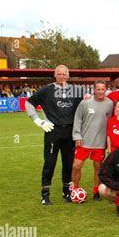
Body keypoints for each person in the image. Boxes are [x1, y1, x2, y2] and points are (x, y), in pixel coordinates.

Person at [25, 65, 83, 205]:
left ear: (68, 75)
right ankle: (45, 194)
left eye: (64, 74)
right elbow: (29, 103)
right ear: (55, 75)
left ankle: (66, 191)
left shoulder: (76, 91)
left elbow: (84, 108)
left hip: (69, 132)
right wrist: (38, 120)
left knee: (68, 163)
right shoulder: (47, 90)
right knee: (50, 163)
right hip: (52, 131)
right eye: (59, 74)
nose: (62, 76)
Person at [71, 80, 114, 200]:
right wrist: (77, 136)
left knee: (97, 167)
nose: (100, 91)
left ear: (106, 90)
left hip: (100, 143)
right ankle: (75, 188)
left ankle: (96, 191)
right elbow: (78, 119)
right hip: (84, 140)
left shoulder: (110, 104)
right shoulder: (85, 103)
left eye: (102, 89)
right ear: (94, 90)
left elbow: (111, 121)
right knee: (76, 166)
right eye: (98, 89)